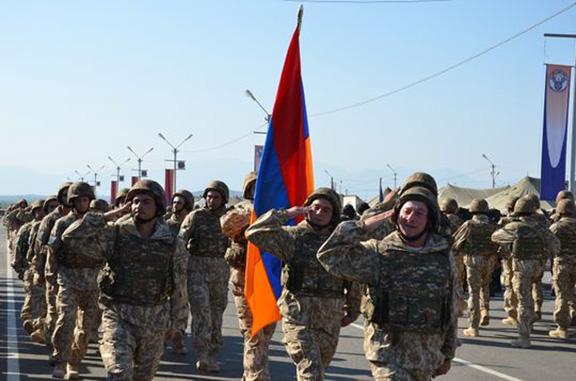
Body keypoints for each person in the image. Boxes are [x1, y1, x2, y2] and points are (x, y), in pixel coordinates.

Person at [317, 182, 458, 380]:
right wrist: (363, 226)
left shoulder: (441, 255)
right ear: (396, 215)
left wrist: (448, 354)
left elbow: (450, 306)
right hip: (387, 354)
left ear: (429, 220)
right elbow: (328, 255)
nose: (411, 218)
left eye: (419, 213)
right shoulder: (378, 253)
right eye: (406, 211)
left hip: (426, 356)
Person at [62, 179, 188, 380]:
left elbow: (179, 283)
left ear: (158, 206)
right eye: (135, 201)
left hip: (155, 319)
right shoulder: (116, 233)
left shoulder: (171, 241)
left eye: (146, 202)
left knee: (143, 377)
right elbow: (70, 237)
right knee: (119, 373)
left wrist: (177, 322)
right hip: (118, 315)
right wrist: (106, 217)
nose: (139, 206)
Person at [246, 187, 361, 381]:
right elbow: (255, 232)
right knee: (310, 369)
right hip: (298, 314)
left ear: (333, 215)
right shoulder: (293, 237)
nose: (319, 213)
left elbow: (352, 277)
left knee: (317, 368)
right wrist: (286, 214)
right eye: (315, 207)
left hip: (330, 317)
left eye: (326, 210)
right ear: (307, 208)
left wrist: (353, 308)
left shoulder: (339, 243)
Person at [221, 171, 277, 380]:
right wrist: (257, 214)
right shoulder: (241, 211)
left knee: (265, 335)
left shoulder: (279, 212)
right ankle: (257, 377)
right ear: (249, 190)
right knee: (254, 335)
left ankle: (251, 374)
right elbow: (226, 226)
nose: (259, 191)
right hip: (245, 282)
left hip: (271, 282)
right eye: (255, 187)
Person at [46, 182, 100, 379]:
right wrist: (51, 278)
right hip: (68, 278)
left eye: (86, 200)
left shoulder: (96, 222)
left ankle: (74, 362)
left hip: (92, 281)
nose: (83, 203)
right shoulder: (62, 224)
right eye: (79, 200)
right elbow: (53, 252)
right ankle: (61, 360)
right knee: (66, 319)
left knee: (86, 327)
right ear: (72, 202)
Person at [491, 197, 559, 348]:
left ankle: (524, 336)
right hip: (539, 266)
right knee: (533, 296)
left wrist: (511, 240)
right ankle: (531, 324)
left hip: (522, 267)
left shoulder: (515, 226)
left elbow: (495, 237)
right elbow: (556, 246)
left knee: (523, 301)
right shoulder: (542, 227)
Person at [179, 181, 231, 373]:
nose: (211, 200)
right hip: (197, 268)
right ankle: (202, 353)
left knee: (216, 314)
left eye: (215, 197)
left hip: (220, 268)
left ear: (223, 198)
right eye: (208, 196)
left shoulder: (229, 217)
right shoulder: (196, 216)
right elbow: (181, 240)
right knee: (201, 313)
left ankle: (213, 353)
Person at [35, 182, 72, 364]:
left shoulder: (84, 217)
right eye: (65, 194)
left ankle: (69, 352)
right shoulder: (51, 220)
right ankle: (54, 347)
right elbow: (41, 247)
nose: (69, 197)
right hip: (53, 271)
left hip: (76, 275)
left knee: (70, 317)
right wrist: (40, 272)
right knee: (54, 312)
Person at [452, 198, 498, 337]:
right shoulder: (492, 226)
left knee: (474, 292)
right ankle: (485, 311)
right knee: (485, 286)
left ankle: (473, 325)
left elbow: (456, 242)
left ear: (472, 210)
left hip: (473, 259)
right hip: (489, 258)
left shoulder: (469, 225)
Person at [548, 199, 576, 339]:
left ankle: (562, 327)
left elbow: (548, 246)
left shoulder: (556, 227)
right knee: (572, 292)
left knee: (562, 294)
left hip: (562, 264)